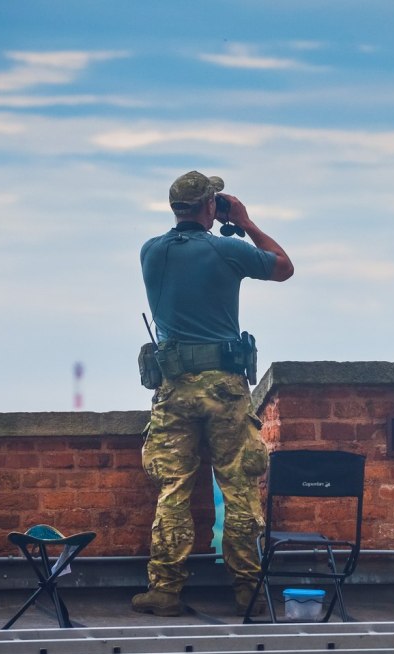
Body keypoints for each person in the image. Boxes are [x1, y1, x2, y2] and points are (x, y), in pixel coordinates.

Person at [132, 171, 294, 617]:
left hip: (173, 389)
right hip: (224, 389)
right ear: (210, 206)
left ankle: (165, 590)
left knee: (173, 490)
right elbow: (283, 266)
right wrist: (244, 222)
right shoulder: (227, 249)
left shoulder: (151, 251)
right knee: (239, 488)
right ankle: (248, 591)